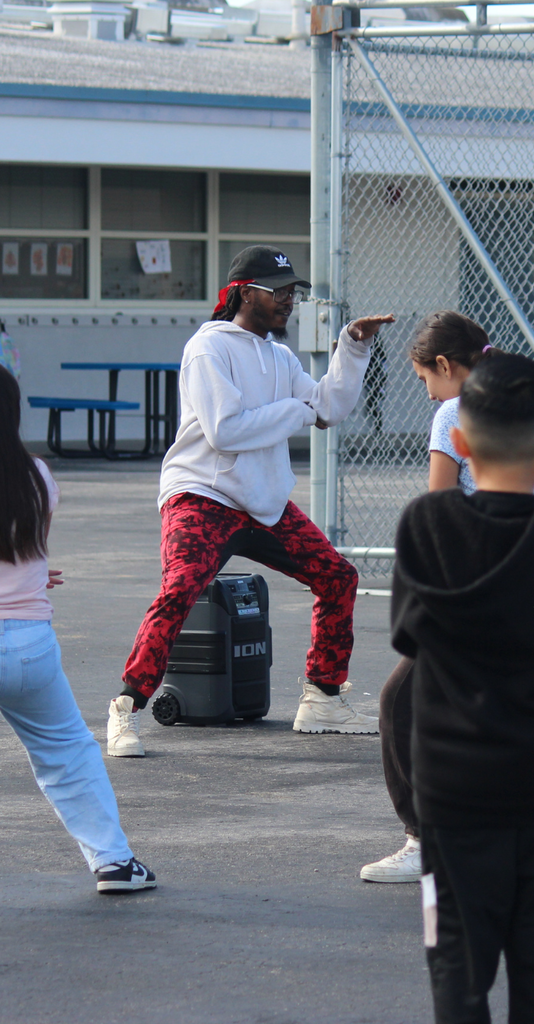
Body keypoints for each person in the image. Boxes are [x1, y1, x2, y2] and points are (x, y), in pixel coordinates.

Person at [390, 353, 534, 1023]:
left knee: (453, 955)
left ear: (458, 442)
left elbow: (408, 637)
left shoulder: (423, 525)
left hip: (452, 791)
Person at [107, 245, 395, 756]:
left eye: (293, 292)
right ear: (244, 292)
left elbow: (326, 409)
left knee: (337, 576)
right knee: (181, 587)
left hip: (260, 502)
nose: (289, 300)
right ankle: (127, 706)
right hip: (202, 494)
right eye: (278, 291)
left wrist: (351, 348)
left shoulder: (280, 357)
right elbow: (225, 432)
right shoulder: (208, 348)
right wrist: (294, 408)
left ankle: (323, 698)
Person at [360, 312, 534, 883]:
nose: (428, 393)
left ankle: (427, 839)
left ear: (446, 366)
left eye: (426, 379)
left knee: (401, 701)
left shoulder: (454, 410)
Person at [0, 365, 155, 893]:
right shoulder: (36, 476)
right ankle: (114, 862)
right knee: (68, 754)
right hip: (30, 644)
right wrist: (34, 573)